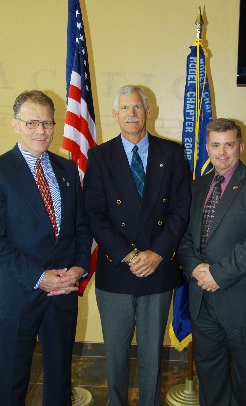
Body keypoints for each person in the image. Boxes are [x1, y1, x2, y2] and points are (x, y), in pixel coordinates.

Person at [83, 85, 191, 406]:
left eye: (137, 108)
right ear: (116, 115)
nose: (132, 114)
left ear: (148, 112)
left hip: (157, 271)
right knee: (115, 357)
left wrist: (157, 253)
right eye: (125, 109)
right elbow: (94, 213)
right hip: (116, 270)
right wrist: (129, 255)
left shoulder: (171, 154)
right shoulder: (100, 156)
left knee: (151, 357)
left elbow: (180, 210)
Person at [0, 90, 92, 406]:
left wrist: (79, 267)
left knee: (60, 379)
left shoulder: (67, 169)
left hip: (63, 292)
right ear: (15, 125)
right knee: (11, 381)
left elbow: (80, 228)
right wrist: (38, 277)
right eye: (32, 122)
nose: (41, 131)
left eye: (47, 123)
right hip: (19, 292)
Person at [178, 118, 246, 406]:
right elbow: (185, 237)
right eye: (215, 145)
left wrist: (218, 275)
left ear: (241, 146)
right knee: (211, 381)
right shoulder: (197, 187)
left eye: (229, 145)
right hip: (203, 303)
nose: (222, 152)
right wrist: (196, 268)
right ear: (207, 148)